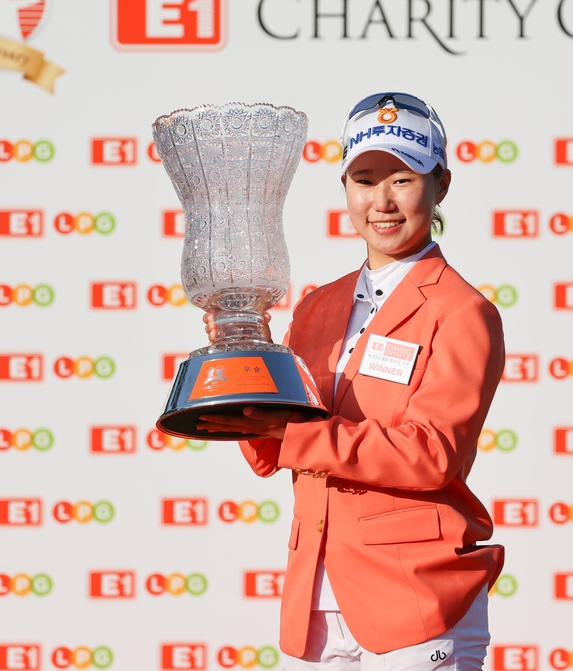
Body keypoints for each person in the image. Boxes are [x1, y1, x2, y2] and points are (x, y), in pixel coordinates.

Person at [198, 92, 505, 670]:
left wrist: (292, 433)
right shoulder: (317, 307)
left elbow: (433, 454)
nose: (381, 201)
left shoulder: (463, 312)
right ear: (345, 188)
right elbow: (274, 449)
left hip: (416, 599)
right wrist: (241, 377)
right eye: (364, 180)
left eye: (402, 179)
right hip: (315, 596)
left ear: (440, 184)